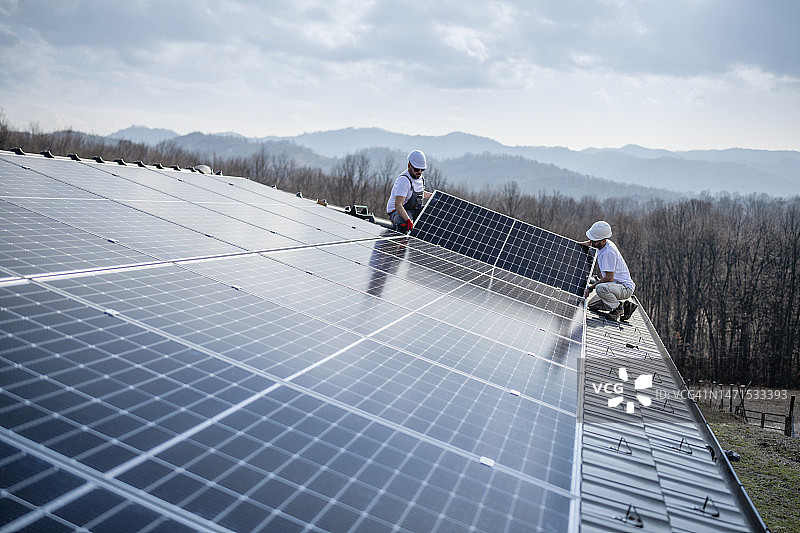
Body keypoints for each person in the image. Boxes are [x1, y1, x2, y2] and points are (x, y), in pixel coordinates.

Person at [580, 220, 637, 321]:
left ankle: (617, 309)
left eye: (594, 240)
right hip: (614, 287)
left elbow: (609, 278)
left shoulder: (608, 253)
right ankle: (625, 306)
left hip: (624, 288)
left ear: (604, 240)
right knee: (592, 305)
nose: (592, 242)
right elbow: (591, 243)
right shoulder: (602, 244)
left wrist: (590, 288)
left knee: (600, 288)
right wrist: (579, 244)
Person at [386, 150, 433, 233]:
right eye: (416, 169)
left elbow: (419, 193)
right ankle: (403, 243)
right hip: (398, 211)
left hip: (413, 210)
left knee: (430, 215)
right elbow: (398, 205)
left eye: (422, 170)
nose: (419, 172)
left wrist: (432, 196)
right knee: (404, 224)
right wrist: (408, 220)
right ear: (409, 166)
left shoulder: (420, 179)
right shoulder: (403, 181)